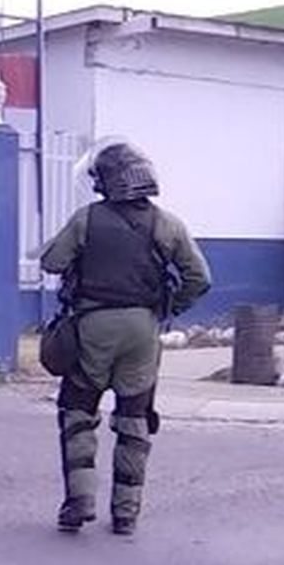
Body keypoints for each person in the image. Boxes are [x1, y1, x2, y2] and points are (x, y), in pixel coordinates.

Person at [39, 141, 211, 534]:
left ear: (108, 182)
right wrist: (169, 308)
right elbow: (201, 279)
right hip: (143, 330)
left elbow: (52, 262)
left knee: (79, 410)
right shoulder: (167, 224)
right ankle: (126, 513)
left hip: (93, 325)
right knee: (134, 417)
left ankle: (80, 500)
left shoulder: (87, 219)